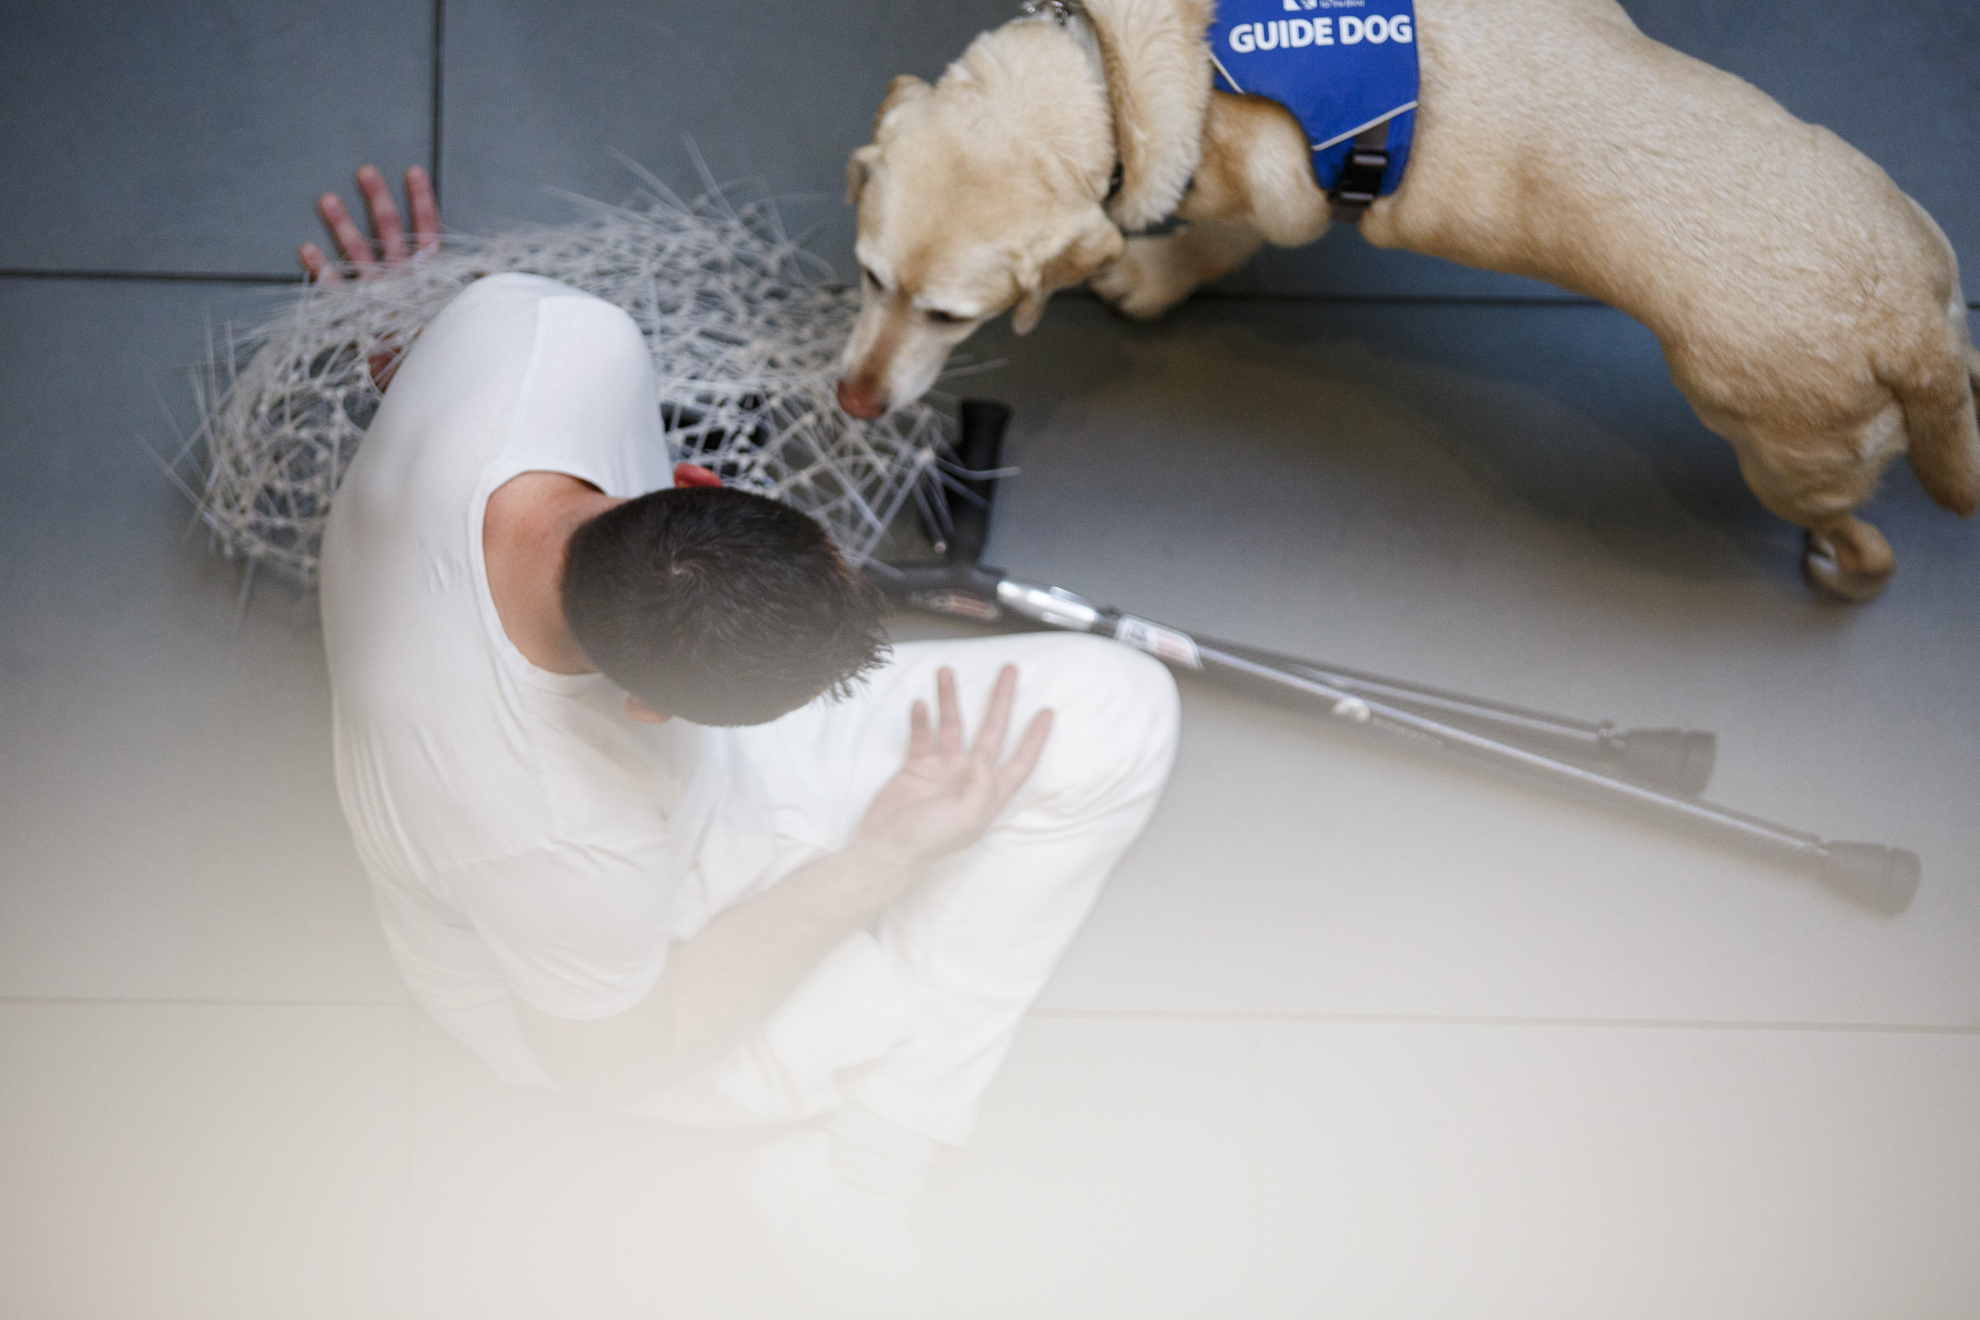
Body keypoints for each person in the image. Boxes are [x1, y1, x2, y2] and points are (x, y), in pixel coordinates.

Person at [309, 166, 1180, 1310]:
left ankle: (868, 1102)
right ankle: (870, 1163)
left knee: (1122, 709)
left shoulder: (549, 338)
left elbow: (439, 366)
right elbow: (611, 1054)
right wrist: (880, 858)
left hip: (653, 801)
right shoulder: (546, 831)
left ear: (686, 483)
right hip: (601, 972)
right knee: (871, 1006)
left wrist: (415, 345)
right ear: (647, 709)